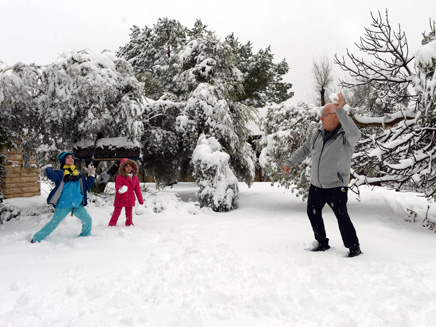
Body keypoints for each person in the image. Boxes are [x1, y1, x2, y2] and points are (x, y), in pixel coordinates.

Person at [283, 92, 362, 257]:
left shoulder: (346, 136)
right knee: (312, 212)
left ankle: (353, 247)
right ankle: (322, 242)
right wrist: (290, 162)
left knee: (342, 217)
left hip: (336, 185)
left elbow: (356, 133)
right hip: (317, 184)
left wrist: (341, 111)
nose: (321, 119)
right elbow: (305, 149)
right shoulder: (318, 133)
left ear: (335, 117)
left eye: (324, 115)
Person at [31, 152, 95, 243]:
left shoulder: (79, 174)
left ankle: (85, 236)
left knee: (87, 219)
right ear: (63, 161)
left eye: (72, 157)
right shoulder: (61, 173)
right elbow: (52, 176)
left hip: (76, 205)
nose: (71, 159)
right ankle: (36, 238)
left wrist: (91, 176)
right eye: (68, 157)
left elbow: (87, 187)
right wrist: (48, 168)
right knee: (53, 223)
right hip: (63, 205)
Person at [108, 158, 144, 226]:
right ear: (123, 167)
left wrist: (140, 199)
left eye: (130, 166)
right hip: (120, 198)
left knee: (129, 213)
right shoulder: (120, 177)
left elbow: (137, 189)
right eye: (126, 166)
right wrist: (120, 189)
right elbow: (117, 186)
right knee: (116, 213)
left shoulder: (135, 178)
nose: (129, 168)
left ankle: (129, 223)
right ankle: (112, 224)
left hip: (130, 198)